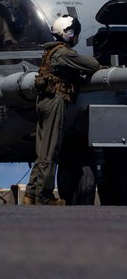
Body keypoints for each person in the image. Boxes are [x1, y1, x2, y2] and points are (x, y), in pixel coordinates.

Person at [25, 15, 100, 206]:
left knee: (42, 150)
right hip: (55, 101)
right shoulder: (64, 54)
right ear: (69, 33)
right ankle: (44, 196)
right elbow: (93, 65)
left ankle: (31, 193)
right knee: (51, 148)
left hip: (44, 100)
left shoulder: (50, 51)